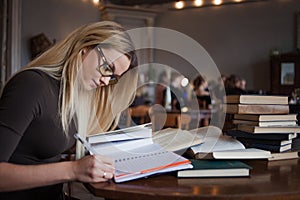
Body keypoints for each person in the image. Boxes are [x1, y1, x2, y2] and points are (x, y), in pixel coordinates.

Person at [0, 21, 138, 200]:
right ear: (85, 49)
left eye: (113, 77)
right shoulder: (31, 85)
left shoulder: (73, 96)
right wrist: (73, 170)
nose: (106, 81)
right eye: (107, 68)